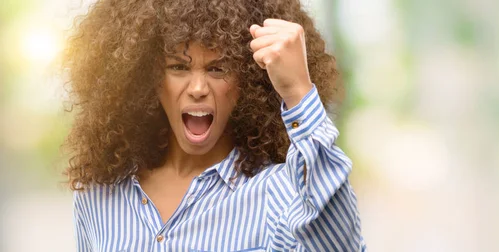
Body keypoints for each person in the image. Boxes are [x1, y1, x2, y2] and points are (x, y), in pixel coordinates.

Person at [62, 0, 366, 251]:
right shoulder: (98, 195)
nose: (197, 88)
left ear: (246, 82)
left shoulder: (279, 193)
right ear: (147, 78)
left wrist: (298, 92)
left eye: (217, 68)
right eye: (178, 67)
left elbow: (341, 245)